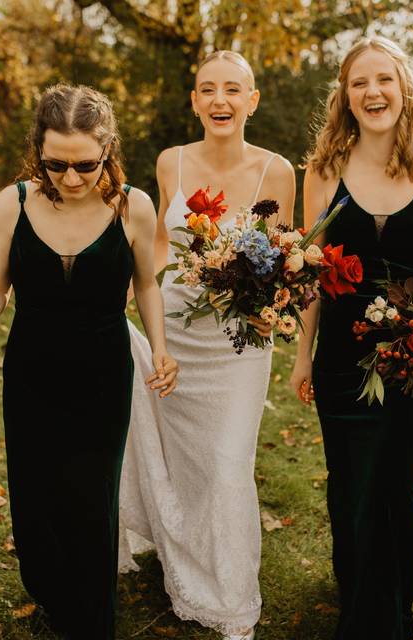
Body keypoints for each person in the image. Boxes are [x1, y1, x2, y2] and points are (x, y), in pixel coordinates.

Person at [0, 83, 177, 640]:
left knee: (90, 497)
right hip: (32, 371)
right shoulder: (12, 203)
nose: (72, 177)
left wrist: (158, 345)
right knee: (36, 496)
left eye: (86, 164)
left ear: (107, 152)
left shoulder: (133, 206)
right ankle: (50, 589)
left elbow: (148, 285)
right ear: (38, 149)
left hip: (102, 373)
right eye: (55, 164)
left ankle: (91, 617)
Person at [288, 37, 413, 639]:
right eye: (359, 83)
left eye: (384, 80)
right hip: (342, 353)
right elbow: (308, 273)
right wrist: (302, 356)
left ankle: (386, 612)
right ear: (345, 95)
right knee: (351, 485)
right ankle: (359, 593)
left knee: (395, 484)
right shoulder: (321, 171)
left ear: (404, 88)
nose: (372, 93)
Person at [117, 50, 294, 640]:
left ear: (252, 100)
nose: (220, 100)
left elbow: (287, 261)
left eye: (232, 90)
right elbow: (162, 247)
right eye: (207, 90)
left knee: (225, 466)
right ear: (193, 101)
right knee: (181, 453)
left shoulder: (279, 171)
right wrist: (137, 303)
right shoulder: (172, 161)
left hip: (239, 343)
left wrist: (274, 308)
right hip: (177, 328)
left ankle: (230, 601)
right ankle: (180, 553)